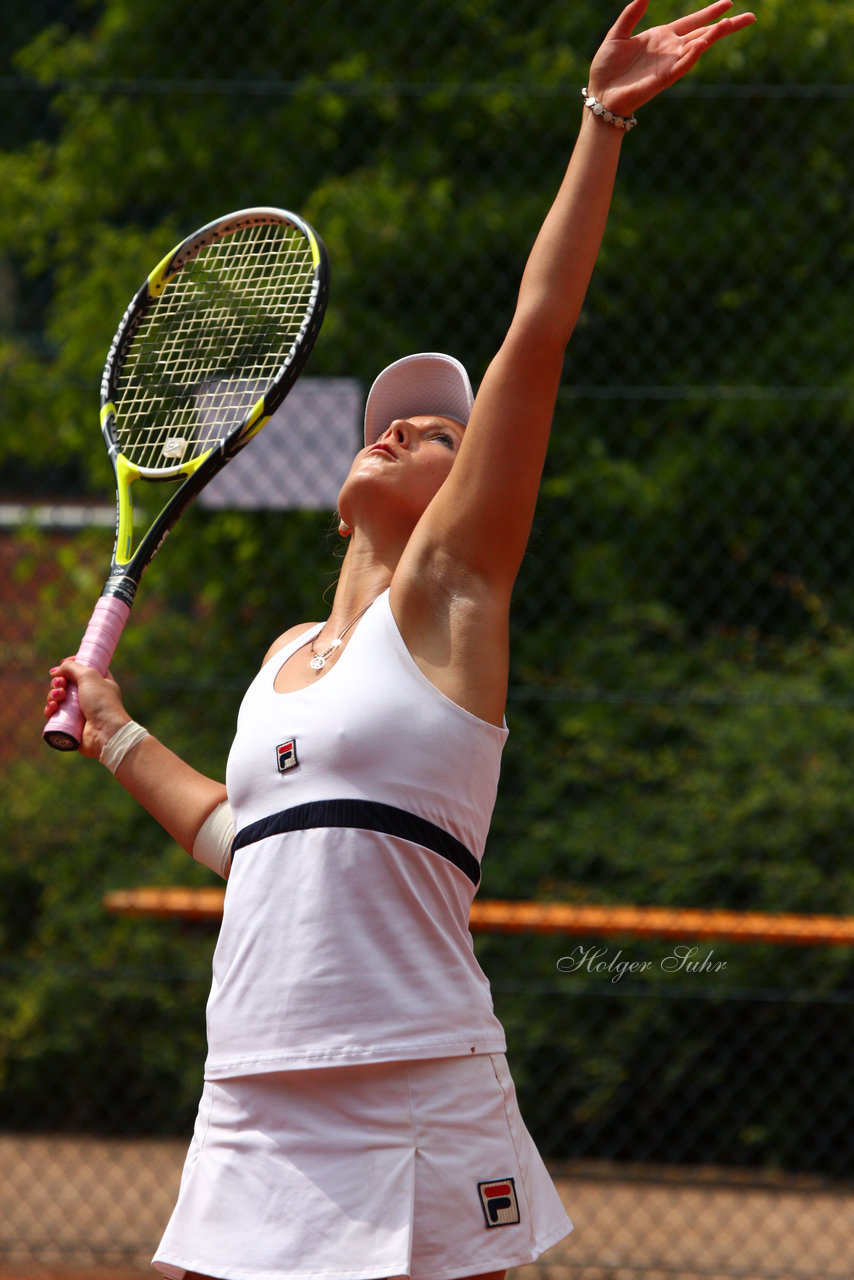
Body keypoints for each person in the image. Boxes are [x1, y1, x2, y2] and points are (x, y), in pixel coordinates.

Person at [44, 3, 755, 1278]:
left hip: (412, 1079)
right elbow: (243, 839)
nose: (402, 429)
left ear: (467, 479)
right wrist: (115, 731)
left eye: (435, 433)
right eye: (389, 420)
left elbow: (534, 333)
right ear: (335, 492)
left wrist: (597, 122)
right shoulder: (279, 657)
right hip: (252, 1082)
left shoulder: (454, 592)